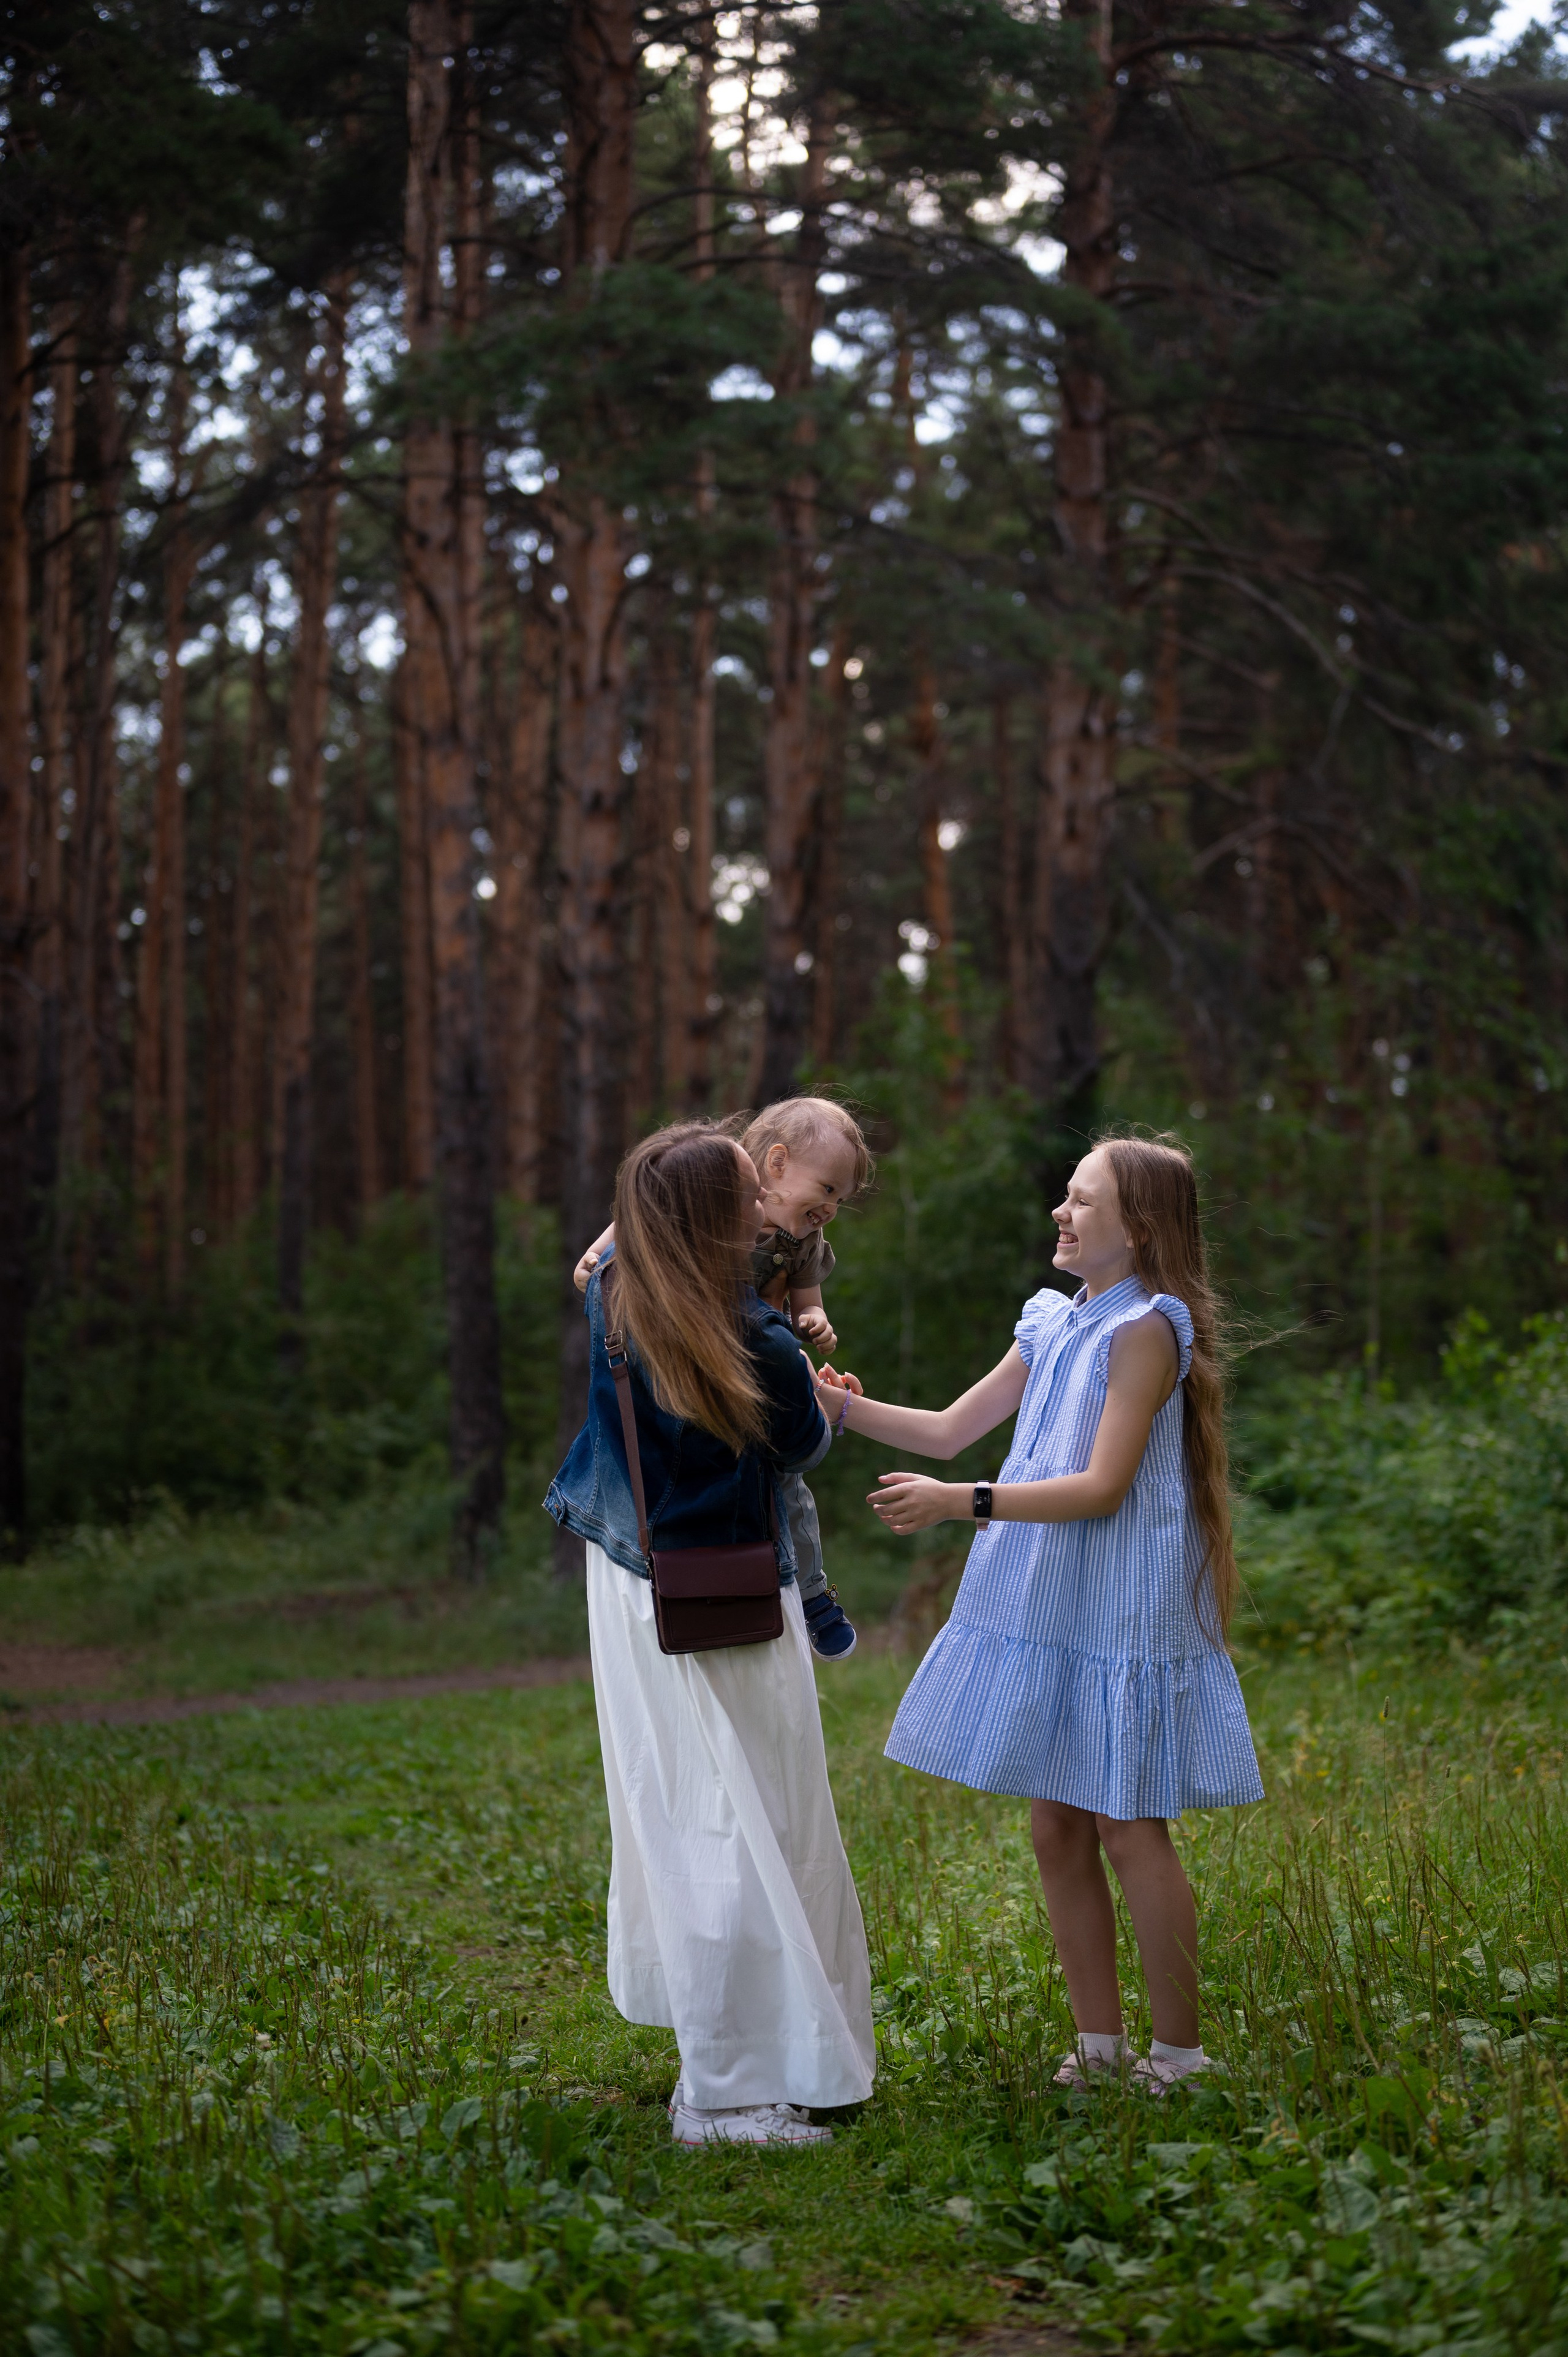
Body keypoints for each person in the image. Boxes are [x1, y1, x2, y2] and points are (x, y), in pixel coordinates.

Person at [815, 1134, 1262, 2093]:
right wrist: (835, 1410)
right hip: (1053, 1593)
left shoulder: (1146, 1327)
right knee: (1055, 1828)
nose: (1061, 1213)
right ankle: (1099, 2051)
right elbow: (946, 1429)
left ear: (1139, 1228)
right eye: (1065, 1196)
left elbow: (1102, 1487)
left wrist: (959, 1501)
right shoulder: (1055, 1321)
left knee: (1128, 1824)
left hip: (1122, 1597)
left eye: (1083, 1201)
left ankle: (1179, 2058)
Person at [546, 1121, 875, 2145]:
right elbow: (806, 1442)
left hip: (628, 1577)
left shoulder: (620, 1294)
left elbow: (624, 1224)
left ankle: (756, 2057)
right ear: (712, 1218)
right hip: (722, 1592)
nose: (761, 1211)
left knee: (690, 1814)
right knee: (744, 1823)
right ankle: (726, 2093)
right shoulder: (759, 1340)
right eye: (742, 1194)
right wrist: (826, 1403)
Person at [573, 1096, 872, 1662]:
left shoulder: (798, 1246)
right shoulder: (690, 1213)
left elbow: (804, 1310)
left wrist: (808, 1336)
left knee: (788, 1492)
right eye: (828, 1189)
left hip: (749, 1379)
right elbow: (633, 1217)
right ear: (776, 1163)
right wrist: (594, 1259)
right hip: (717, 1374)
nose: (832, 1206)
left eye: (841, 1197)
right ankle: (803, 1593)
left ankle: (813, 1594)